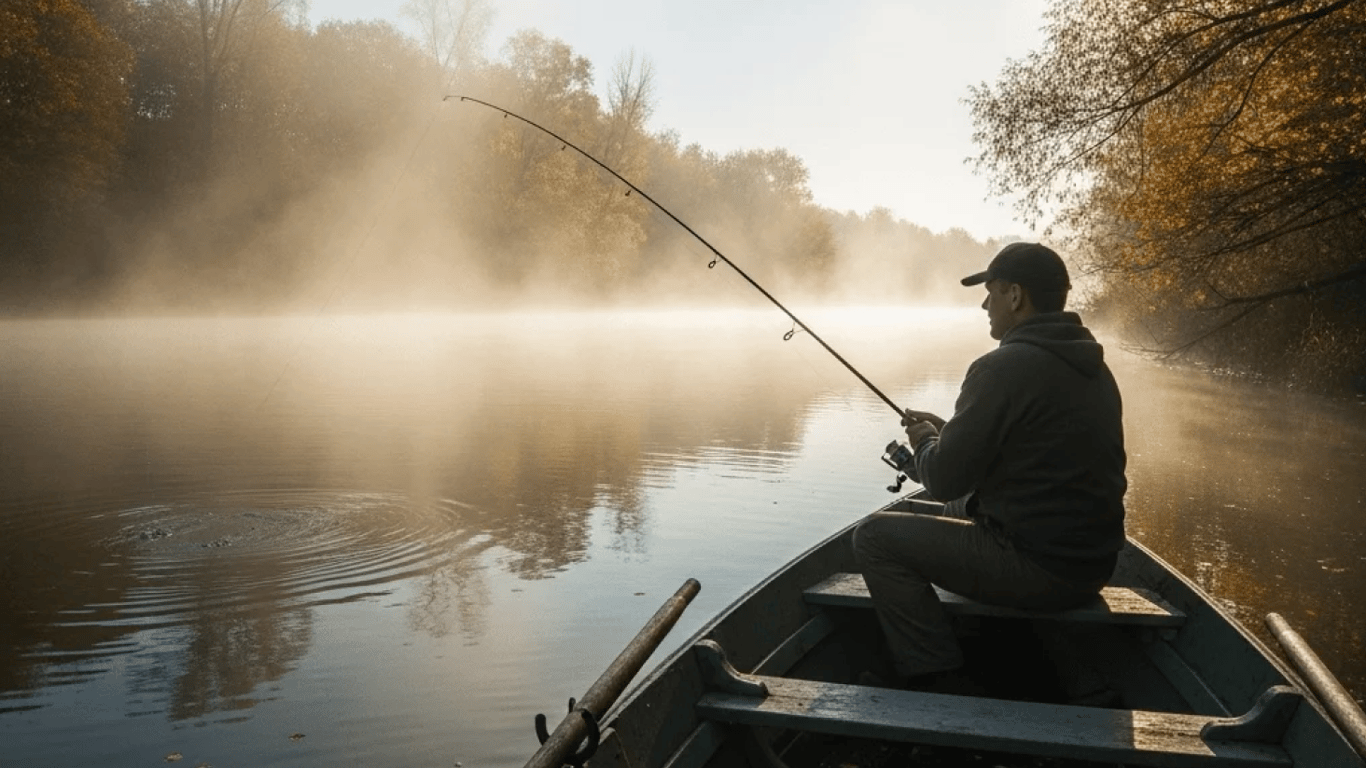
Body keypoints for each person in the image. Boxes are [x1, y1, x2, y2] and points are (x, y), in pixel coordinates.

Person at [852, 241, 1127, 691]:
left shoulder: (1001, 367)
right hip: (1094, 564)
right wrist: (950, 434)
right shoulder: (1093, 367)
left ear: (1015, 296)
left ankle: (934, 673)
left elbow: (941, 480)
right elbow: (1032, 453)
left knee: (875, 538)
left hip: (1041, 571)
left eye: (991, 292)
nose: (985, 304)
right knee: (945, 510)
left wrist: (925, 442)